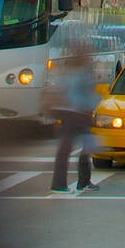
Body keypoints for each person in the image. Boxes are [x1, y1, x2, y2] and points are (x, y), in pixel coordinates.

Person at [47, 44, 99, 193]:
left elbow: (59, 90)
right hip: (78, 113)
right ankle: (73, 182)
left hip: (67, 112)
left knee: (67, 149)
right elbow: (86, 93)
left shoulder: (66, 71)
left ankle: (66, 182)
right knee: (85, 146)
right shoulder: (83, 72)